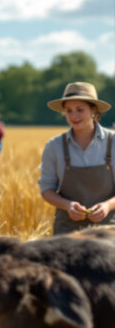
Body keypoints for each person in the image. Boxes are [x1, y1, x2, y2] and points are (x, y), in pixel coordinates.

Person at [38, 82, 115, 234]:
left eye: (80, 110)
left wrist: (107, 206)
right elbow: (47, 189)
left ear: (94, 110)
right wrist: (68, 205)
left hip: (109, 234)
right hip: (67, 234)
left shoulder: (112, 143)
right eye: (69, 111)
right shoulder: (54, 146)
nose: (74, 116)